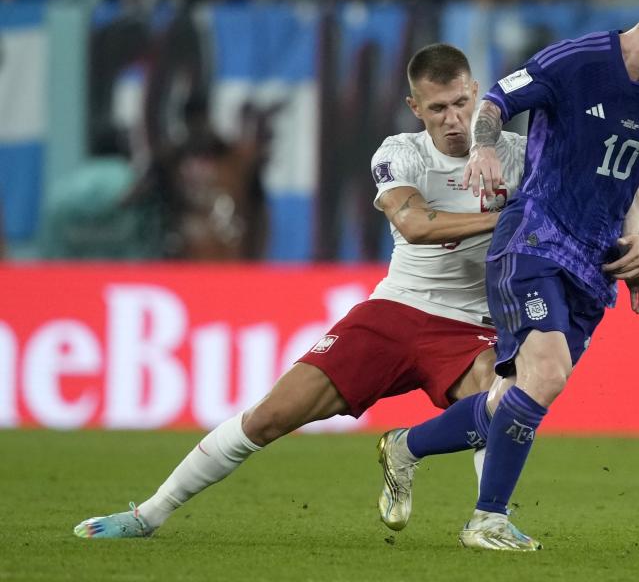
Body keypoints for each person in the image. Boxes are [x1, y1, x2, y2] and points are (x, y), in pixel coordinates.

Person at [73, 43, 527, 538]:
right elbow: (414, 223)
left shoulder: (522, 156)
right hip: (396, 311)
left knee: (500, 395)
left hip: (472, 325)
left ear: (477, 93)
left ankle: (489, 519)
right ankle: (148, 515)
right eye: (438, 108)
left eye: (462, 102)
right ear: (414, 107)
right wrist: (508, 217)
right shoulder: (400, 153)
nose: (455, 119)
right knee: (269, 417)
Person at [380, 0, 639, 551]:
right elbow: (495, 99)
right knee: (546, 373)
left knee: (512, 397)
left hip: (595, 263)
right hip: (535, 237)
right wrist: (486, 146)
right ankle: (486, 519)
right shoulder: (578, 61)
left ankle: (405, 446)